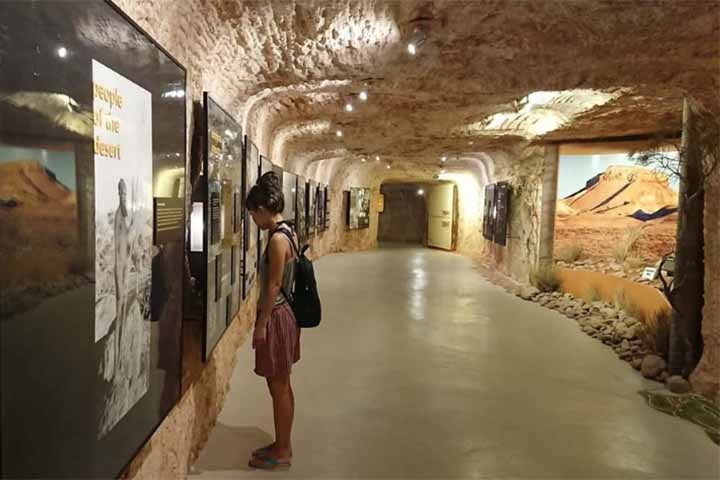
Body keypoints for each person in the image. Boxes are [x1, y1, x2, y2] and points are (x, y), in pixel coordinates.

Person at [246, 172, 300, 470]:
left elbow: (273, 286)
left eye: (253, 214)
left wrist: (262, 324)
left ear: (262, 210)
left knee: (278, 386)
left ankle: (282, 451)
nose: (253, 219)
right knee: (281, 384)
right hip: (284, 314)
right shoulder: (288, 232)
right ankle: (283, 443)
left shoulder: (278, 239)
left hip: (277, 316)